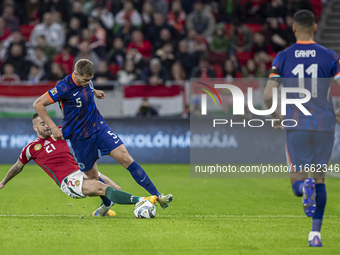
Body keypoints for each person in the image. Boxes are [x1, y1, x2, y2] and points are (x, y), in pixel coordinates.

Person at [33, 59, 173, 210]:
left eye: (90, 79)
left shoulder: (87, 80)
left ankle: (159, 196)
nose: (88, 82)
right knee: (93, 178)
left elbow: (85, 88)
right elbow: (38, 104)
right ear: (76, 74)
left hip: (98, 127)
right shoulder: (63, 87)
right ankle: (106, 205)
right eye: (85, 80)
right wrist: (53, 127)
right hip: (79, 138)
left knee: (125, 158)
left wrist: (94, 91)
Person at [263, 10, 340, 247]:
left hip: (297, 123)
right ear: (315, 27)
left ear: (294, 28)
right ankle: (314, 235)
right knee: (320, 179)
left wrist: (276, 117)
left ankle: (301, 187)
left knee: (297, 180)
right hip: (325, 124)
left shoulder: (283, 57)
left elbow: (267, 95)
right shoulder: (329, 55)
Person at [0, 114, 158, 217]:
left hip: (80, 172)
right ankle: (142, 200)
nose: (47, 126)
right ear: (35, 127)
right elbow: (17, 167)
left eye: (48, 122)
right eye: (43, 124)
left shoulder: (59, 132)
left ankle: (102, 211)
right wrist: (3, 182)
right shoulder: (30, 149)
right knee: (103, 189)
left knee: (115, 190)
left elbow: (79, 125)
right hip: (69, 182)